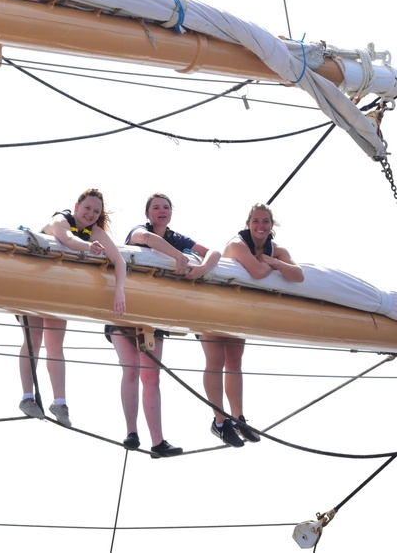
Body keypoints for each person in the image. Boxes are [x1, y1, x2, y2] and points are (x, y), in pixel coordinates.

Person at [116, 193, 221, 457]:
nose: (161, 211)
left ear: (171, 213)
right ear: (148, 214)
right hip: (127, 307)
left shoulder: (177, 237)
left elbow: (213, 252)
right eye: (156, 208)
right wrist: (179, 258)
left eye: (166, 207)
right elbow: (147, 240)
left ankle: (158, 442)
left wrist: (200, 269)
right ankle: (131, 432)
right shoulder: (140, 231)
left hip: (155, 313)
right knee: (131, 370)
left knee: (151, 376)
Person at [17, 188, 126, 430]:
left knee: (55, 344)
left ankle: (60, 403)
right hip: (34, 281)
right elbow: (67, 239)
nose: (91, 214)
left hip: (58, 287)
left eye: (96, 212)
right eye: (87, 208)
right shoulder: (60, 220)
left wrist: (119, 290)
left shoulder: (94, 231)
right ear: (76, 207)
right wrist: (89, 248)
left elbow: (119, 260)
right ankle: (27, 396)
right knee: (33, 340)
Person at [202, 202, 303, 447]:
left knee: (235, 361)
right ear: (248, 224)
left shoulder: (275, 249)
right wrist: (270, 263)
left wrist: (275, 262)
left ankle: (238, 418)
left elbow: (298, 275)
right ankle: (219, 422)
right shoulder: (237, 244)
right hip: (213, 304)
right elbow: (257, 272)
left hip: (238, 309)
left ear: (271, 226)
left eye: (265, 221)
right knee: (216, 361)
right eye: (256, 221)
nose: (260, 226)